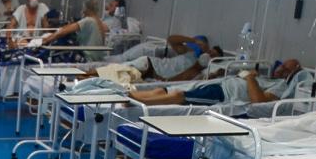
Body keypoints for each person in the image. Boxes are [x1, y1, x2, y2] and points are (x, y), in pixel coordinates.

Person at [126, 58, 306, 107]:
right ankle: (130, 97)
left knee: (180, 96)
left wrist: (250, 78)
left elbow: (259, 102)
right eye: (281, 65)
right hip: (218, 85)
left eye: (286, 69)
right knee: (163, 90)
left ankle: (142, 102)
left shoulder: (280, 86)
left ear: (291, 75)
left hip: (223, 95)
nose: (280, 69)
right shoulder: (265, 77)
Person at [36, 0, 108, 61]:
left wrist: (45, 41)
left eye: (83, 8)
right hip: (97, 57)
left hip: (88, 58)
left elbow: (63, 32)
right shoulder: (100, 22)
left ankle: (39, 58)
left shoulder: (88, 20)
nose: (82, 11)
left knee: (60, 47)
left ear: (87, 9)